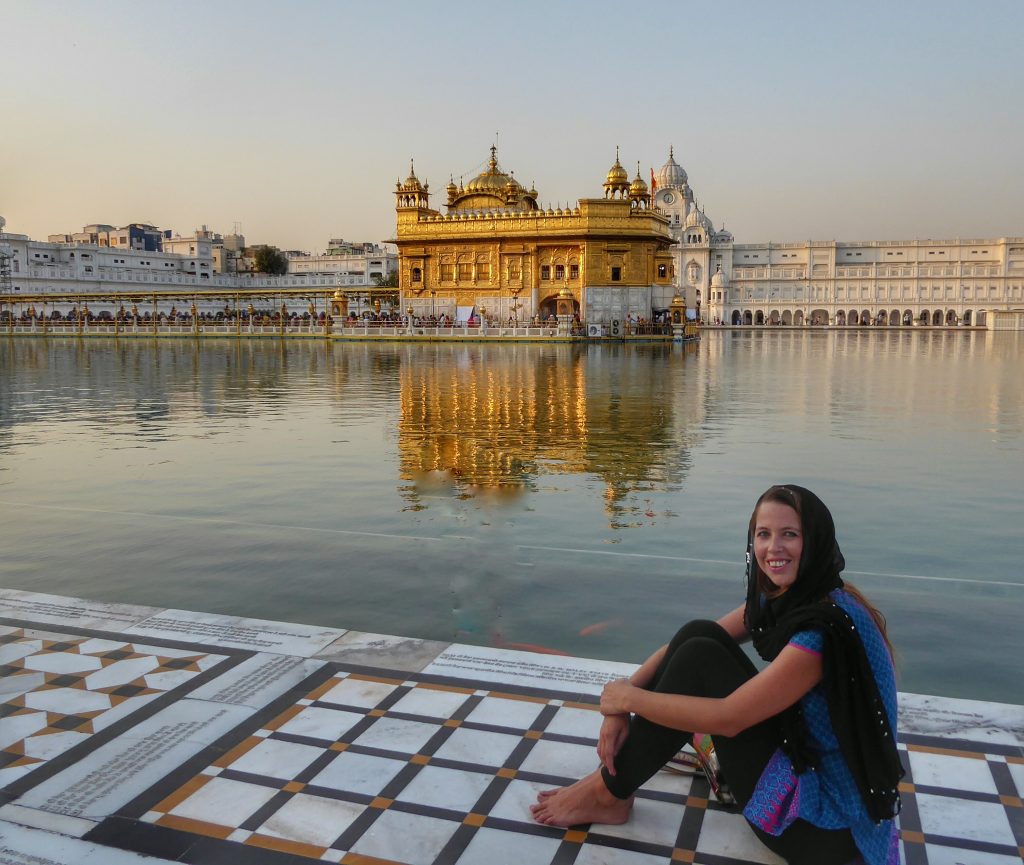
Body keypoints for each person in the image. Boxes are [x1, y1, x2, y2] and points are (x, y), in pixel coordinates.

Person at [532, 485, 902, 865]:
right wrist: (619, 701)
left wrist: (627, 699)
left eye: (790, 534)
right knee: (700, 637)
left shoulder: (822, 633)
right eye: (763, 534)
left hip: (824, 830)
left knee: (699, 659)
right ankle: (610, 787)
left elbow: (729, 718)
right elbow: (697, 637)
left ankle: (608, 793)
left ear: (816, 541)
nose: (773, 548)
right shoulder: (805, 597)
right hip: (810, 769)